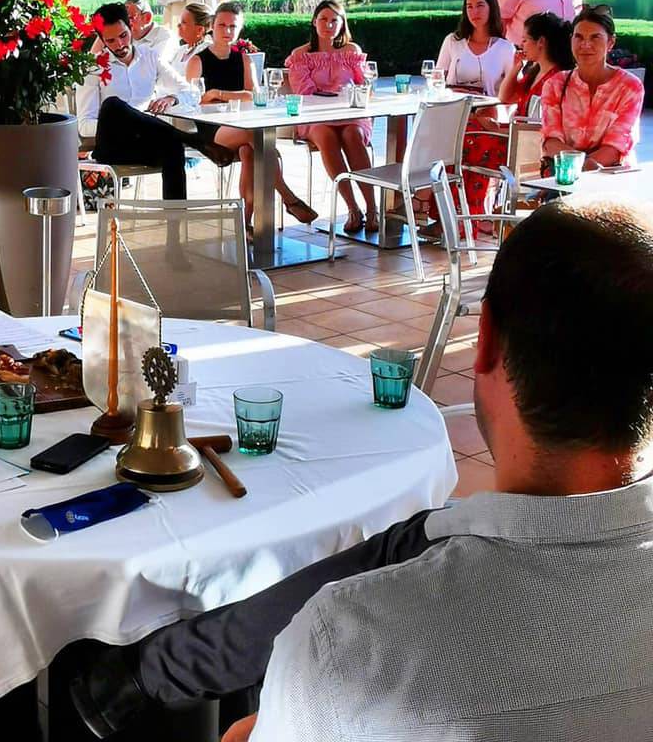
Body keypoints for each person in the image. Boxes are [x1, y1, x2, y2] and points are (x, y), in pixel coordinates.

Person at [72, 195, 653, 742]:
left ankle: (137, 677)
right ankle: (143, 674)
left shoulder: (347, 639)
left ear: (486, 342)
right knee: (416, 535)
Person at [421, 9, 572, 235]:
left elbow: (538, 124)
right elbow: (506, 97)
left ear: (541, 42)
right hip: (512, 137)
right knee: (460, 133)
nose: (522, 45)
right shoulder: (536, 73)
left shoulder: (556, 79)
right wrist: (516, 68)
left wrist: (498, 127)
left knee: (461, 142)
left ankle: (447, 214)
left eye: (525, 40)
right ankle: (457, 217)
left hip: (525, 147)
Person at [75, 2, 231, 201]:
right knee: (113, 105)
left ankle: (175, 223)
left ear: (131, 28)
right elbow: (85, 126)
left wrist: (172, 98)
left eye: (123, 36)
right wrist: (123, 123)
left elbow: (192, 93)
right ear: (102, 40)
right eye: (111, 40)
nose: (120, 45)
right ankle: (192, 139)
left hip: (145, 140)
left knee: (173, 148)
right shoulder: (93, 68)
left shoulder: (150, 58)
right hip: (113, 145)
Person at [186, 1, 316, 227]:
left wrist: (217, 93)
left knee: (249, 152)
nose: (227, 31)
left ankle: (244, 223)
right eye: (222, 25)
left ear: (239, 29)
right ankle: (288, 197)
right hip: (212, 130)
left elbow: (253, 95)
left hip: (241, 124)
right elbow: (195, 100)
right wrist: (228, 96)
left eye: (232, 27)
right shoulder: (198, 61)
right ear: (211, 26)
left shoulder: (244, 59)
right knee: (258, 140)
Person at [285, 0, 377, 233]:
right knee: (326, 135)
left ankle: (373, 208)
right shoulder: (301, 55)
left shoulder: (351, 52)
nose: (328, 25)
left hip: (350, 114)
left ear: (342, 23)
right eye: (323, 19)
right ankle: (352, 208)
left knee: (353, 134)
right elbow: (303, 93)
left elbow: (364, 87)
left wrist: (362, 86)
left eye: (334, 20)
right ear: (314, 22)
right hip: (316, 116)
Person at [540, 4, 644, 171]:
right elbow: (551, 141)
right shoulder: (555, 84)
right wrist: (577, 169)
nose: (585, 45)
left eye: (595, 37)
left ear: (611, 42)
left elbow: (616, 145)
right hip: (564, 176)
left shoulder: (629, 87)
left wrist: (583, 168)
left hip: (611, 176)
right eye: (579, 37)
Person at [436, 0, 514, 95]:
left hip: (487, 109)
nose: (474, 12)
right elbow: (437, 80)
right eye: (469, 7)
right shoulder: (452, 41)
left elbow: (513, 90)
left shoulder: (505, 48)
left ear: (491, 8)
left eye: (480, 6)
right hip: (452, 107)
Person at [125, 0, 176, 64]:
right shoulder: (124, 37)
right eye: (123, 20)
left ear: (147, 18)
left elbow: (155, 66)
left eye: (130, 18)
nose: (125, 24)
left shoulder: (165, 36)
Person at [169, 1, 212, 75]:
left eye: (184, 22)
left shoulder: (206, 51)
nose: (178, 25)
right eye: (180, 21)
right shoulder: (181, 50)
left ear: (199, 30)